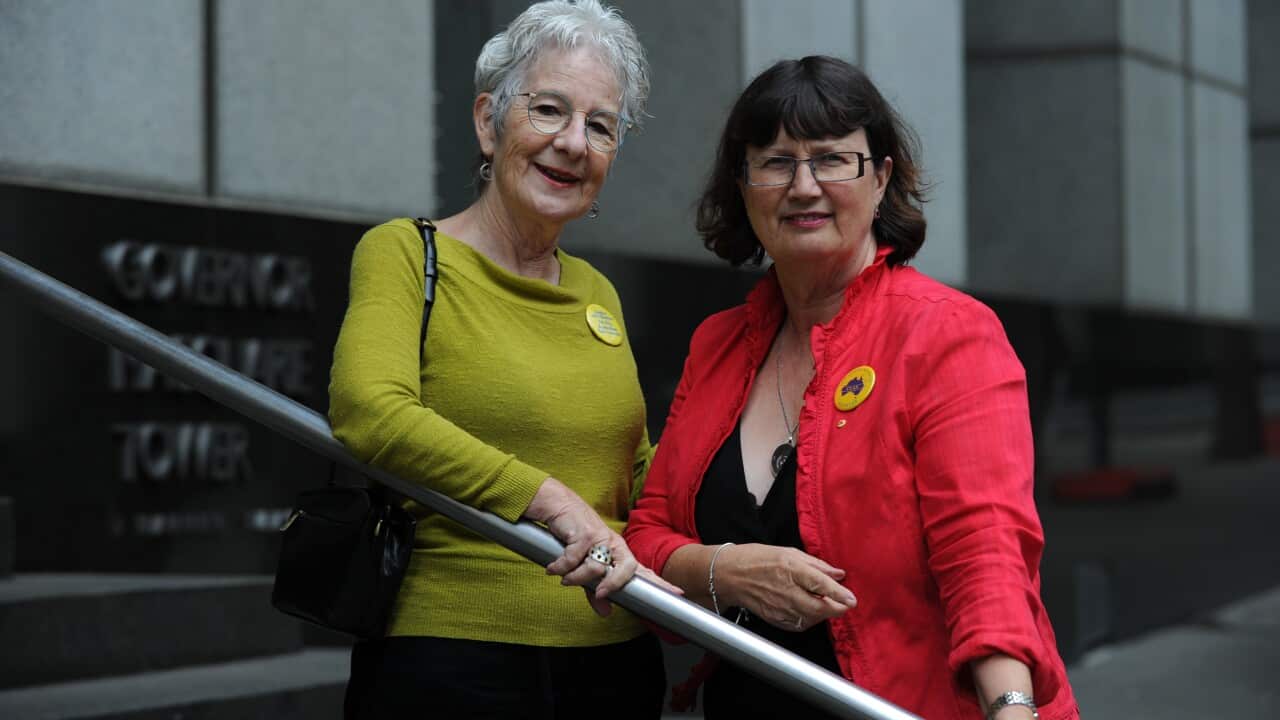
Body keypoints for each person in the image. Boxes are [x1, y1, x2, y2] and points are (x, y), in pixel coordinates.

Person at [624, 56, 1080, 720]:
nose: (803, 186)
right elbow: (647, 537)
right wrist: (726, 570)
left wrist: (1011, 707)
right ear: (743, 186)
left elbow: (985, 551)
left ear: (883, 177)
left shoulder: (948, 335)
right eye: (776, 162)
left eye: (834, 159)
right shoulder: (716, 345)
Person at [328, 2, 670, 717]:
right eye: (549, 110)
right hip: (450, 662)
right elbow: (370, 413)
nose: (573, 143)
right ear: (488, 122)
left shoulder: (597, 292)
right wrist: (552, 500)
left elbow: (632, 470)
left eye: (600, 126)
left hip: (615, 662)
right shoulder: (402, 252)